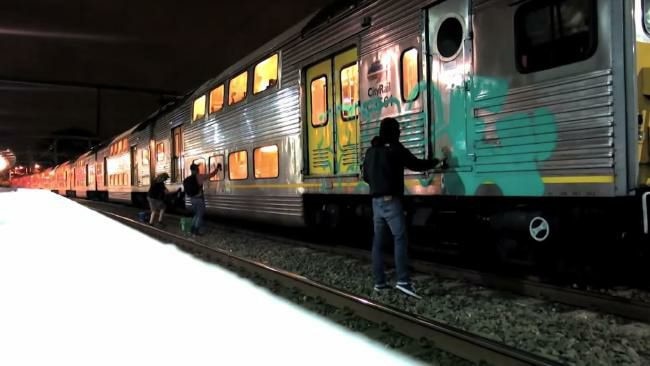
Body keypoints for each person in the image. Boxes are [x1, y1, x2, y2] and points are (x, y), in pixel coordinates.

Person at [362, 117, 443, 299]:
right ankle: (403, 282)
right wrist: (435, 161)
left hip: (376, 202)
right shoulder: (395, 149)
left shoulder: (370, 151)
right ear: (393, 131)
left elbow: (365, 176)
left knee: (378, 243)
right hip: (391, 201)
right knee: (400, 239)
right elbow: (416, 164)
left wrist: (378, 183)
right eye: (398, 130)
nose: (400, 132)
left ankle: (379, 283)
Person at [183, 162, 222, 236]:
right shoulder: (199, 177)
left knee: (196, 214)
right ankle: (196, 231)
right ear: (195, 170)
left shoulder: (188, 179)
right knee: (200, 215)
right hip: (199, 199)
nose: (198, 169)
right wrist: (217, 168)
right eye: (197, 168)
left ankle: (192, 229)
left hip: (192, 199)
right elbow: (211, 175)